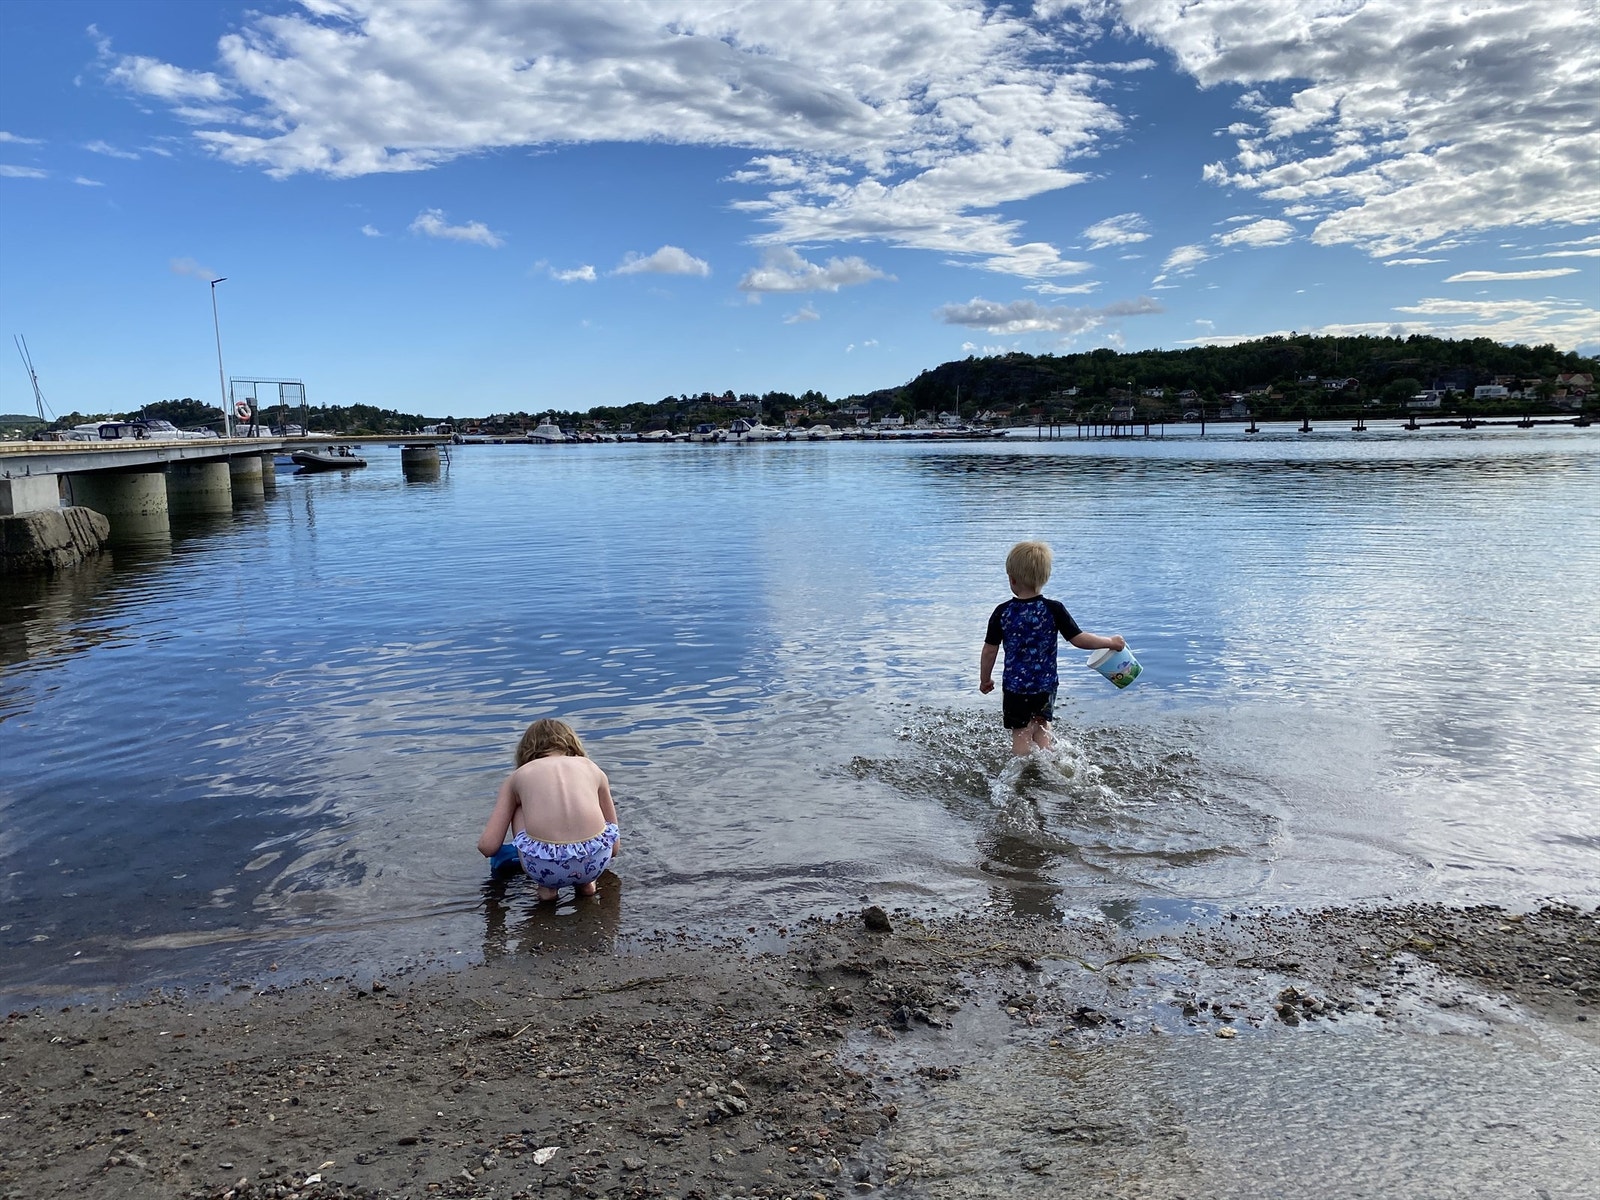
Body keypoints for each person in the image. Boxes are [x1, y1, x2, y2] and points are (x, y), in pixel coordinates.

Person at [979, 540, 1126, 757]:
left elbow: (989, 650)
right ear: (1045, 578)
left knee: (1020, 733)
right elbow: (1079, 639)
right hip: (1045, 686)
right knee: (1042, 727)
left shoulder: (1002, 612)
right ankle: (1049, 762)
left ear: (1012, 579)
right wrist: (1111, 642)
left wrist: (985, 680)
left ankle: (1021, 766)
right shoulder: (1053, 609)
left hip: (1015, 689)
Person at [477, 718, 620, 901]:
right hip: (595, 862)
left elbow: (488, 847)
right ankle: (587, 885)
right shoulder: (592, 768)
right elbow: (614, 846)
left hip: (545, 869)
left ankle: (547, 890)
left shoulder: (518, 776)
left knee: (519, 807)